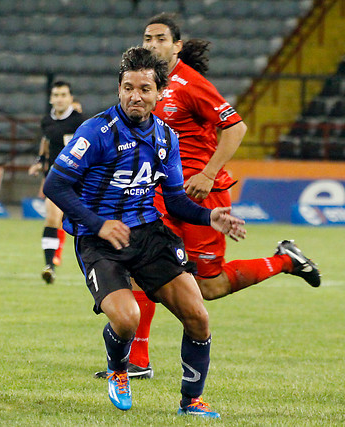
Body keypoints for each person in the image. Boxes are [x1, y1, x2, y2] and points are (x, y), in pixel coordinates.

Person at [96, 13, 321, 380]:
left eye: (161, 39)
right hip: (164, 194)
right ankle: (137, 361)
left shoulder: (190, 83)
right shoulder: (150, 86)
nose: (153, 45)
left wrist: (208, 173)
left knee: (209, 286)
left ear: (177, 46)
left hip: (204, 196)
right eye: (147, 38)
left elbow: (236, 127)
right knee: (138, 264)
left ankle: (285, 261)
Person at [44, 46, 246, 416]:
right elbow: (54, 186)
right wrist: (98, 223)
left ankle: (192, 401)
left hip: (149, 234)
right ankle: (118, 370)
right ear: (119, 89)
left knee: (198, 316)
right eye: (128, 87)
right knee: (127, 319)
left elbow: (175, 201)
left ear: (160, 93)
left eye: (144, 88)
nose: (135, 95)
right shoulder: (96, 131)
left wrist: (209, 217)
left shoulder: (167, 138)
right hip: (99, 240)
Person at [28, 81, 85, 284]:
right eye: (56, 95)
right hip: (55, 179)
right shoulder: (47, 121)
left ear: (70, 98)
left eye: (63, 94)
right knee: (52, 218)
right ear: (51, 99)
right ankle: (49, 266)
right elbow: (46, 143)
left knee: (81, 223)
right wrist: (40, 162)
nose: (59, 98)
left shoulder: (80, 121)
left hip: (79, 180)